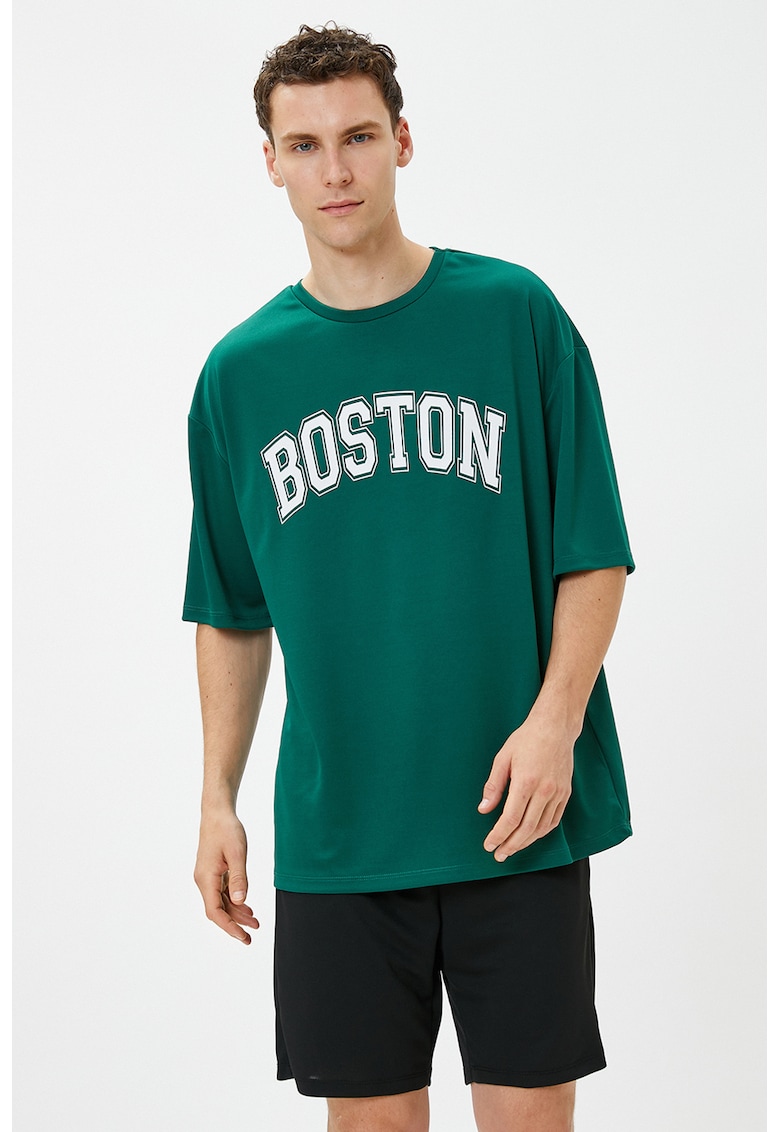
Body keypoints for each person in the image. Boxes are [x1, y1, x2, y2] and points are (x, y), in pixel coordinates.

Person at [185, 23, 634, 1132]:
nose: (334, 169)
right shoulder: (240, 375)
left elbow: (593, 548)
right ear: (271, 162)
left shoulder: (514, 314)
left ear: (403, 141)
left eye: (358, 136)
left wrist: (557, 722)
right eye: (305, 145)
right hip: (341, 836)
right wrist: (216, 798)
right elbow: (231, 608)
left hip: (515, 814)